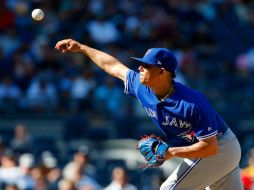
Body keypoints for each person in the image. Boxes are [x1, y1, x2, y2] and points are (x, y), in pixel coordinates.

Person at [55, 39, 243, 190]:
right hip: (211, 152)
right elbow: (112, 66)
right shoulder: (141, 86)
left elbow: (210, 147)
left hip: (220, 148)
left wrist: (171, 152)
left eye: (146, 65)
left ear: (162, 71)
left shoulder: (191, 103)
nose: (140, 68)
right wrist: (82, 47)